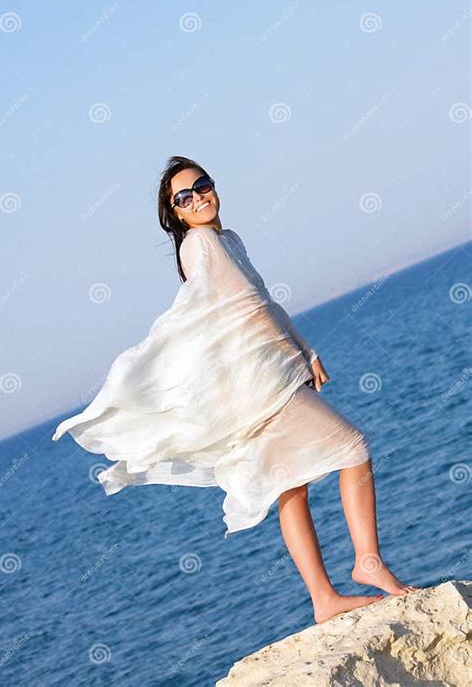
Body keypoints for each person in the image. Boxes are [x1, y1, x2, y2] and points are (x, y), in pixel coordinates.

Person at [52, 155, 419, 623]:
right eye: (184, 197)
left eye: (201, 185)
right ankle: (367, 561)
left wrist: (305, 350)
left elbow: (261, 301)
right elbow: (222, 317)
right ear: (177, 214)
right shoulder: (199, 243)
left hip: (272, 370)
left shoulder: (228, 240)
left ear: (213, 185)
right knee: (354, 447)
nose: (197, 196)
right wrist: (292, 356)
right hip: (261, 382)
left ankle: (324, 599)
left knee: (292, 486)